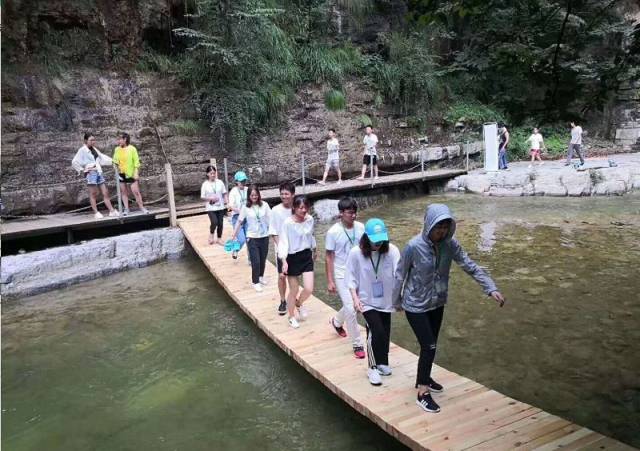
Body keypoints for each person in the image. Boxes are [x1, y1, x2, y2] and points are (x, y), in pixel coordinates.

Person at [393, 203, 505, 414]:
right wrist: (396, 301)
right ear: (428, 224)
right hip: (415, 304)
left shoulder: (450, 245)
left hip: (437, 302)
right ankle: (422, 393)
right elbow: (400, 274)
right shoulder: (413, 246)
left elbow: (469, 265)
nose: (441, 231)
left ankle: (424, 378)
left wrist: (490, 288)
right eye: (438, 226)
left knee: (432, 343)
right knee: (429, 346)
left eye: (445, 226)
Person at [346, 218, 400, 386]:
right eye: (375, 240)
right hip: (366, 300)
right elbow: (351, 277)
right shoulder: (356, 253)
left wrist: (401, 298)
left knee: (385, 332)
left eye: (381, 240)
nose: (378, 244)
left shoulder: (391, 251)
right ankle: (372, 367)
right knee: (375, 332)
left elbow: (399, 274)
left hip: (386, 300)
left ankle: (383, 362)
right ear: (366, 238)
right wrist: (355, 299)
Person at [326, 197, 366, 359]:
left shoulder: (361, 227)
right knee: (351, 308)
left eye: (355, 212)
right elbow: (329, 256)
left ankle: (336, 322)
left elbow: (365, 249)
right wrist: (330, 280)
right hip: (342, 272)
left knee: (355, 305)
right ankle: (357, 343)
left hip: (358, 272)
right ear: (341, 213)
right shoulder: (333, 232)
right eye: (350, 213)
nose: (353, 216)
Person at [278, 195, 316, 329]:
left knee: (309, 288)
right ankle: (291, 316)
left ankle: (299, 304)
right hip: (292, 257)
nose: (304, 210)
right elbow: (283, 242)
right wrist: (284, 261)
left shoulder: (310, 219)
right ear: (294, 208)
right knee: (293, 289)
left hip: (306, 255)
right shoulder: (288, 223)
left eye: (306, 207)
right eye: (301, 208)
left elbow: (311, 236)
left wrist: (314, 249)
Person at [232, 185, 271, 292]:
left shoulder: (265, 205)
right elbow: (239, 221)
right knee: (256, 261)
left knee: (263, 259)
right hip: (252, 237)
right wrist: (234, 235)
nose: (254, 197)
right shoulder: (245, 207)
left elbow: (271, 218)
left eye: (256, 194)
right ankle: (255, 282)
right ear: (249, 196)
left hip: (264, 236)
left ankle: (261, 277)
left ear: (258, 194)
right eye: (252, 195)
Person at [72, 132, 119, 219]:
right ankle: (96, 212)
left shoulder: (94, 149)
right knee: (93, 193)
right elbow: (75, 161)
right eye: (91, 140)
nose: (93, 141)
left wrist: (112, 161)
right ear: (86, 140)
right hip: (91, 173)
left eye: (94, 140)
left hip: (98, 171)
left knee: (105, 192)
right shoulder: (82, 150)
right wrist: (83, 170)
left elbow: (102, 157)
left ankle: (111, 210)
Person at [268, 182, 295, 316]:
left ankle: (293, 297)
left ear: (292, 195)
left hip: (295, 248)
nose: (284, 196)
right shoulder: (275, 210)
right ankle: (283, 300)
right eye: (282, 194)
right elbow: (273, 232)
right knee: (282, 276)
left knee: (294, 276)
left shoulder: (296, 209)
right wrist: (281, 249)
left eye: (286, 194)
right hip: (281, 247)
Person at [112, 132, 148, 216]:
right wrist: (115, 166)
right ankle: (126, 209)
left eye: (120, 139)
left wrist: (136, 173)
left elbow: (136, 162)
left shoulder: (132, 148)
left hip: (130, 173)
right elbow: (114, 161)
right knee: (124, 192)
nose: (119, 141)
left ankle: (142, 207)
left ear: (125, 139)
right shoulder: (117, 149)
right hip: (121, 173)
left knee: (135, 191)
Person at [201, 165, 228, 245]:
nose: (213, 175)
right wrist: (210, 199)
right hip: (211, 207)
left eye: (214, 173)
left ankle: (219, 238)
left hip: (220, 206)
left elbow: (224, 193)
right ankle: (211, 234)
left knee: (220, 223)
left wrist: (227, 202)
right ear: (207, 174)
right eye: (211, 173)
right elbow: (202, 197)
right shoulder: (205, 184)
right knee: (214, 222)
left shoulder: (220, 182)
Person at [228, 171, 249, 260]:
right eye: (241, 181)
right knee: (242, 239)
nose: (243, 183)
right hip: (237, 218)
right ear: (237, 182)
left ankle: (251, 260)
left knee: (250, 239)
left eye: (244, 181)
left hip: (248, 218)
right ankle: (235, 249)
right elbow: (230, 206)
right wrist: (240, 211)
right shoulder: (233, 191)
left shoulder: (248, 189)